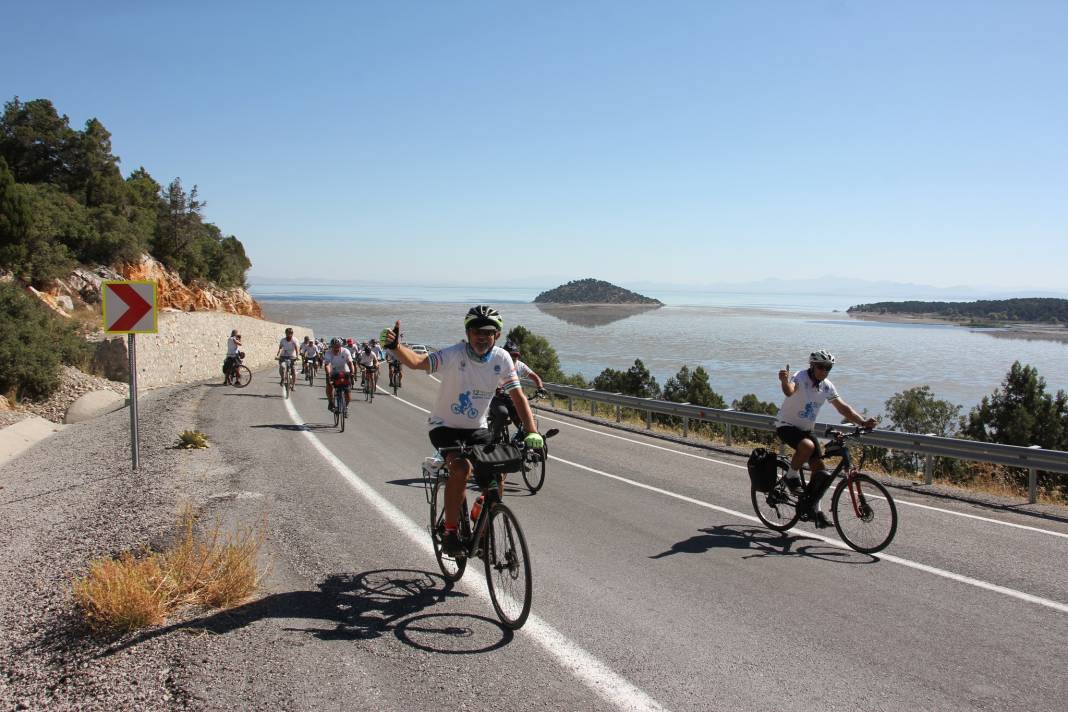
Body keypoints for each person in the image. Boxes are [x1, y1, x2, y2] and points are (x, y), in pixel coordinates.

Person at [380, 306, 545, 556]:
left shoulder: (502, 359)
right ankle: (450, 532)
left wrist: (532, 432)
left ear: (497, 335)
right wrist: (395, 347)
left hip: (476, 429)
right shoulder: (454, 355)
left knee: (497, 474)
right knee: (461, 468)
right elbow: (416, 362)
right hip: (444, 427)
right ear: (468, 333)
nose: (482, 336)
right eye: (476, 331)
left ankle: (482, 519)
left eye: (488, 332)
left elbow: (518, 396)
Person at [776, 350, 877, 528]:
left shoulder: (827, 386)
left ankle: (817, 511)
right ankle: (790, 477)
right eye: (821, 367)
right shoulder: (800, 376)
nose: (824, 371)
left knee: (821, 475)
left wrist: (862, 422)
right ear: (812, 366)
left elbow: (843, 408)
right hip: (786, 425)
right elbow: (789, 391)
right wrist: (785, 380)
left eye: (828, 368)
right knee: (807, 446)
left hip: (806, 430)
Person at [490, 340, 547, 438]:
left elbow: (535, 377)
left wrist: (540, 387)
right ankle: (495, 438)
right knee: (503, 413)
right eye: (511, 355)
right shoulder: (496, 364)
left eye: (516, 355)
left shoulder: (520, 365)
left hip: (512, 398)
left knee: (524, 423)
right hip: (496, 398)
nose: (513, 358)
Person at [324, 337, 355, 413]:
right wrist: (328, 374)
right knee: (329, 385)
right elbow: (327, 365)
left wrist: (352, 373)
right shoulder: (328, 352)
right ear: (332, 346)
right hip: (334, 371)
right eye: (334, 346)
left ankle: (346, 407)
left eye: (338, 346)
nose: (336, 348)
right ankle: (330, 402)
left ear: (340, 346)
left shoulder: (346, 351)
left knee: (348, 393)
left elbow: (350, 363)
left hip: (345, 370)